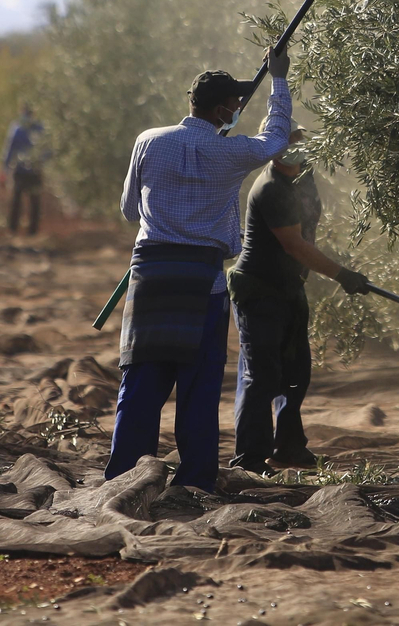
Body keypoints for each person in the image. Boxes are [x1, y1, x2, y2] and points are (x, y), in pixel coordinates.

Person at [104, 48, 294, 492]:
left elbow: (130, 210)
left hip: (149, 280)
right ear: (223, 109)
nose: (235, 111)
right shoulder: (232, 154)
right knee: (198, 388)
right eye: (234, 105)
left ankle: (123, 480)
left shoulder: (147, 140)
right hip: (204, 284)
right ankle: (193, 483)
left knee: (140, 385)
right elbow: (277, 139)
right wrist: (279, 80)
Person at [229, 129, 369, 474]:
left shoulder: (306, 178)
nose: (293, 149)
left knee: (296, 373)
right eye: (286, 143)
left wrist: (318, 270)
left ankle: (289, 447)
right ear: (273, 148)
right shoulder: (271, 188)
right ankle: (249, 457)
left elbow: (308, 233)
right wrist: (342, 275)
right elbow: (294, 244)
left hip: (290, 288)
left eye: (297, 142)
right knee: (262, 375)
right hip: (259, 291)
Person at [1, 105, 45, 234]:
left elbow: (46, 150)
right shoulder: (18, 129)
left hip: (33, 171)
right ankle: (14, 230)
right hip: (22, 171)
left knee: (34, 202)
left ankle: (31, 231)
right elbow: (10, 150)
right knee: (18, 201)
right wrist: (5, 169)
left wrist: (5, 168)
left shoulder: (37, 129)